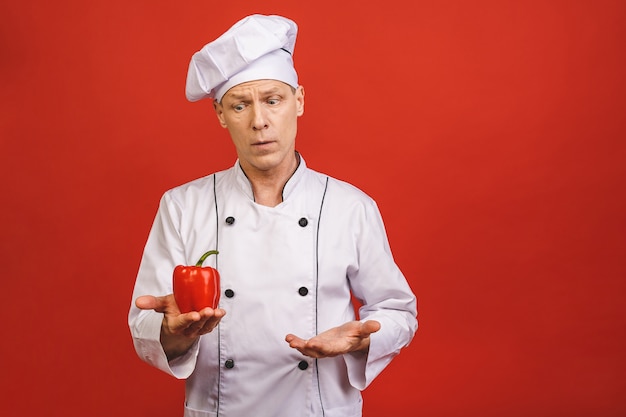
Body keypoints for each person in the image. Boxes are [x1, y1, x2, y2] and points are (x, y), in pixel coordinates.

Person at [129, 14, 417, 417]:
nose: (259, 121)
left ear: (299, 101)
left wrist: (361, 339)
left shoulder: (350, 206)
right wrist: (173, 332)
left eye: (272, 100)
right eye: (240, 104)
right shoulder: (182, 206)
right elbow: (147, 327)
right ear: (220, 113)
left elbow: (397, 310)